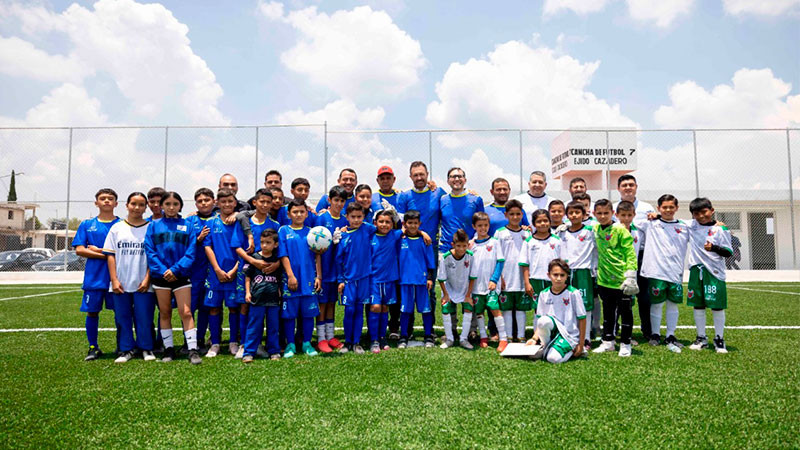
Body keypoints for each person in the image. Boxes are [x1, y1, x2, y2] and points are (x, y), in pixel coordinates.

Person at [143, 191, 201, 364]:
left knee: (186, 312)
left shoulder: (188, 225)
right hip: (161, 277)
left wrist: (175, 270)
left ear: (180, 206)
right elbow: (150, 251)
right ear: (161, 206)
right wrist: (163, 270)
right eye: (167, 204)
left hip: (181, 276)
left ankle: (192, 349)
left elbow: (191, 252)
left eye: (175, 204)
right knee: (165, 312)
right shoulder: (153, 226)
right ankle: (169, 349)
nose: (171, 207)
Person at [395, 161, 446, 338]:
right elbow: (402, 223)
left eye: (422, 174)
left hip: (429, 247)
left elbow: (452, 201)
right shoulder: (404, 196)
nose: (419, 177)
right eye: (415, 175)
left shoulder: (438, 193)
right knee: (406, 288)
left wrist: (471, 192)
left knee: (428, 289)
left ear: (427, 175)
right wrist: (421, 232)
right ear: (410, 177)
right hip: (409, 248)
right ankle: (406, 331)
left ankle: (429, 331)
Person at [103, 192, 155, 363]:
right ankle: (126, 350)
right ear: (127, 205)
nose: (137, 208)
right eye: (134, 204)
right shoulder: (116, 228)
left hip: (143, 283)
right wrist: (114, 280)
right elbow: (111, 256)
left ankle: (146, 348)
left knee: (144, 317)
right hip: (121, 283)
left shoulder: (151, 228)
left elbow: (153, 257)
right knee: (122, 318)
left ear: (146, 207)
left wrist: (148, 279)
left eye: (141, 205)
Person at [231, 189, 280, 358]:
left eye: (268, 202)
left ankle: (266, 345)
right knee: (246, 305)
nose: (265, 205)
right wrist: (253, 261)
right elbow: (237, 246)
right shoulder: (244, 222)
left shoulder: (275, 225)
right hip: (248, 269)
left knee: (270, 309)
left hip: (270, 274)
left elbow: (282, 251)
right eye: (262, 201)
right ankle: (246, 344)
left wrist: (277, 264)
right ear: (255, 202)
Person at [73, 188, 120, 361]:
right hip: (94, 278)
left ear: (116, 203)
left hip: (116, 277)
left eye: (110, 199)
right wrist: (107, 254)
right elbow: (79, 250)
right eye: (103, 198)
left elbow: (122, 251)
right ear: (96, 202)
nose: (106, 201)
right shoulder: (87, 224)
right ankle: (93, 347)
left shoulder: (122, 224)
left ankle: (121, 345)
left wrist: (97, 250)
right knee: (92, 312)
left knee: (120, 312)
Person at [590, 199, 638, 357]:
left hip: (621, 280)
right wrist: (566, 227)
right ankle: (608, 342)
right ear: (594, 214)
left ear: (613, 214)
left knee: (625, 313)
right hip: (604, 279)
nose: (603, 216)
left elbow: (630, 253)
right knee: (608, 313)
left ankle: (625, 344)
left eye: (606, 213)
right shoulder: (595, 228)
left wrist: (630, 276)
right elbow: (580, 226)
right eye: (599, 213)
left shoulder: (621, 230)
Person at [642, 194, 689, 353]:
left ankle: (670, 335)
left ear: (676, 208)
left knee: (672, 304)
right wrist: (652, 217)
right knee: (656, 304)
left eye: (671, 207)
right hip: (656, 272)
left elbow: (703, 226)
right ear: (658, 208)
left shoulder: (684, 226)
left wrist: (717, 223)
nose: (668, 210)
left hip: (675, 272)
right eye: (664, 207)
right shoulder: (651, 224)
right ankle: (655, 334)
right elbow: (627, 221)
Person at [686, 198, 732, 353]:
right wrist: (655, 216)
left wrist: (714, 247)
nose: (701, 216)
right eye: (696, 213)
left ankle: (719, 339)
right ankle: (701, 338)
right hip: (696, 270)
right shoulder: (691, 226)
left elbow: (728, 252)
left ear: (712, 211)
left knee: (717, 306)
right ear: (693, 215)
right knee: (698, 305)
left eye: (704, 212)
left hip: (714, 272)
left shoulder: (721, 229)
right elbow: (671, 220)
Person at [278, 199, 323, 358]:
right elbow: (283, 255)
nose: (298, 214)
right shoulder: (283, 230)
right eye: (295, 212)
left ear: (307, 213)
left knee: (308, 314)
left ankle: (307, 343)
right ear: (288, 214)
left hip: (309, 279)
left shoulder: (312, 232)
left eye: (302, 211)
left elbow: (317, 255)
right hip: (291, 280)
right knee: (290, 315)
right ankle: (290, 344)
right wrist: (290, 275)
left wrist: (319, 276)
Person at [202, 188, 242, 358]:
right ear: (218, 203)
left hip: (235, 274)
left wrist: (234, 270)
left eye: (230, 201)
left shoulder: (241, 222)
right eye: (223, 201)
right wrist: (217, 269)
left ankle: (233, 342)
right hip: (215, 275)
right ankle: (215, 343)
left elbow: (245, 248)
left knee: (234, 309)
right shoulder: (211, 222)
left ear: (235, 203)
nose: (227, 204)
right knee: (214, 308)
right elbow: (207, 246)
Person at [526, 259, 587, 363]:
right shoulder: (543, 294)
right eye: (555, 275)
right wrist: (534, 338)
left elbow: (582, 319)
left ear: (567, 276)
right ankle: (545, 346)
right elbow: (540, 321)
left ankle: (570, 348)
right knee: (543, 321)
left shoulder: (573, 293)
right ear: (548, 275)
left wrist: (581, 344)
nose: (558, 278)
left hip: (568, 336)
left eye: (562, 275)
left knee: (553, 359)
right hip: (551, 334)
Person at [336, 203, 377, 354]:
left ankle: (357, 342)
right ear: (346, 217)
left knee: (359, 310)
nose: (356, 220)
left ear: (364, 217)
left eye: (359, 217)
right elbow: (338, 260)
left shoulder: (367, 229)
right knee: (349, 310)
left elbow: (386, 225)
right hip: (349, 281)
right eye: (353, 217)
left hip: (365, 279)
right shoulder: (343, 236)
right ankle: (347, 342)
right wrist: (340, 280)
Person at [314, 186, 349, 353]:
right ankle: (321, 338)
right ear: (329, 200)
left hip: (337, 270)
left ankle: (330, 336)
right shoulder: (322, 218)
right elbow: (314, 246)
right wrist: (318, 274)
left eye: (342, 201)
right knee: (322, 303)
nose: (339, 204)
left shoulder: (345, 221)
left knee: (331, 303)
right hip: (324, 268)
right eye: (336, 200)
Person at [468, 212, 508, 351]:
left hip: (491, 284)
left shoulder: (494, 242)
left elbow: (500, 262)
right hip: (476, 286)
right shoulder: (471, 245)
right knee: (479, 311)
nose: (483, 228)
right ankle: (483, 337)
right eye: (479, 226)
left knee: (494, 308)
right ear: (474, 226)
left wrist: (495, 280)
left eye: (485, 225)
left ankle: (503, 338)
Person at [243, 229, 283, 362]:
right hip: (257, 299)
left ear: (275, 244)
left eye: (268, 242)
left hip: (273, 300)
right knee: (254, 326)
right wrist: (248, 292)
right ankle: (249, 352)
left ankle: (274, 351)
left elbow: (279, 279)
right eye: (262, 242)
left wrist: (279, 292)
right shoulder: (255, 257)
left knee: (273, 327)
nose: (264, 245)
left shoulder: (278, 260)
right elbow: (248, 276)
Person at [560, 201, 596, 350]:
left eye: (577, 212)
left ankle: (586, 338)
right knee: (566, 303)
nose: (574, 215)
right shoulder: (562, 232)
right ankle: (568, 335)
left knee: (585, 306)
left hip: (583, 272)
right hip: (566, 273)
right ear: (566, 215)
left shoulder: (591, 231)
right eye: (571, 213)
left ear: (584, 214)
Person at [398, 210, 436, 349]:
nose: (413, 226)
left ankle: (428, 336)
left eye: (415, 223)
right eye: (410, 223)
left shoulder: (425, 240)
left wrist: (430, 277)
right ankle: (403, 336)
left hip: (422, 280)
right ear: (404, 224)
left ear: (419, 224)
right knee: (405, 310)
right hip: (405, 281)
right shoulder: (400, 239)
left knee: (425, 309)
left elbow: (430, 260)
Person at [494, 199, 531, 342]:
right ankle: (509, 336)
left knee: (521, 308)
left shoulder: (527, 234)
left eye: (518, 214)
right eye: (512, 214)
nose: (515, 217)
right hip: (506, 276)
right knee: (507, 308)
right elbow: (496, 256)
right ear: (506, 215)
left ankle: (521, 336)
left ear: (522, 214)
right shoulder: (500, 233)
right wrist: (500, 277)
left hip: (522, 276)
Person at [520, 210, 563, 326]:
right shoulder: (529, 242)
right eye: (539, 221)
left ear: (550, 222)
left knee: (555, 308)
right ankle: (537, 334)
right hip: (535, 280)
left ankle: (554, 333)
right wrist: (527, 283)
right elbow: (524, 264)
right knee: (538, 309)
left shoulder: (557, 240)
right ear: (533, 224)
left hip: (554, 281)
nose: (542, 223)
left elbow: (562, 263)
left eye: (545, 220)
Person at [369, 209, 402, 352]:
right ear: (375, 223)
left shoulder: (395, 235)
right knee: (375, 307)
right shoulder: (370, 236)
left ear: (392, 224)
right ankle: (373, 339)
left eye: (387, 222)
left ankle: (382, 337)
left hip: (389, 280)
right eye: (381, 221)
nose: (384, 225)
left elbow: (409, 227)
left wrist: (423, 233)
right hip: (374, 279)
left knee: (384, 308)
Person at [437, 230, 476, 349]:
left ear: (468, 245)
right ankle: (450, 339)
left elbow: (472, 277)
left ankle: (464, 339)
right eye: (458, 246)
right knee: (445, 307)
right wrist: (445, 294)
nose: (461, 249)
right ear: (453, 245)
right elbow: (441, 278)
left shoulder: (470, 256)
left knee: (469, 307)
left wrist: (468, 295)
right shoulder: (446, 257)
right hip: (450, 289)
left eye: (464, 246)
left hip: (465, 289)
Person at [186, 188, 214, 350]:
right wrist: (198, 239)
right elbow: (183, 245)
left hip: (212, 273)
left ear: (213, 201)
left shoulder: (219, 220)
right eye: (200, 201)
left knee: (206, 307)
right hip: (194, 272)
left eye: (207, 200)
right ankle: (188, 341)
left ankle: (202, 338)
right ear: (196, 203)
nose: (203, 203)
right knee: (189, 308)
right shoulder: (190, 221)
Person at [616, 200, 645, 343]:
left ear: (634, 215)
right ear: (617, 215)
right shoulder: (613, 230)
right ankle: (612, 333)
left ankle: (627, 334)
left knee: (627, 305)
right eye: (623, 215)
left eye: (629, 215)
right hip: (615, 272)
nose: (626, 218)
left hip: (631, 273)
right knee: (614, 305)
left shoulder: (638, 231)